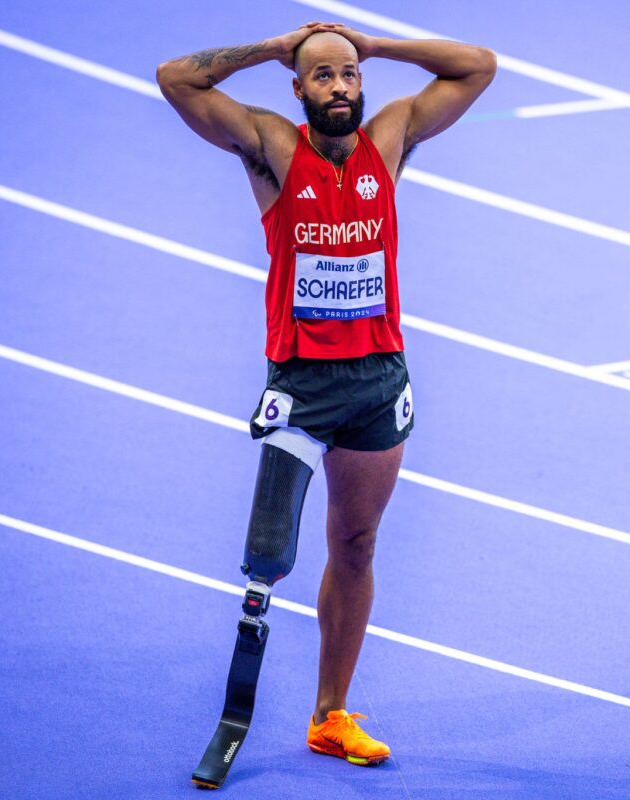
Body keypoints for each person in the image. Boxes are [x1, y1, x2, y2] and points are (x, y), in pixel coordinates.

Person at [157, 22, 495, 768]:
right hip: (302, 382)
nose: (339, 87)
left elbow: (478, 65)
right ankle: (235, 713)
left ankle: (329, 714)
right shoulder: (274, 148)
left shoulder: (391, 136)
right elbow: (176, 77)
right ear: (298, 88)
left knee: (356, 542)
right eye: (323, 76)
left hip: (377, 379)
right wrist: (270, 47)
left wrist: (372, 44)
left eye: (348, 75)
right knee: (267, 556)